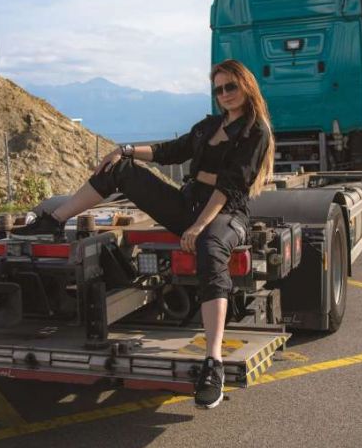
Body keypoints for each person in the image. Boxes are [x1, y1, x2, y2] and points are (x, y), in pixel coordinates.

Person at [15, 59, 275, 409]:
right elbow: (170, 150)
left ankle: (212, 364)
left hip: (227, 212)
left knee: (211, 248)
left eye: (231, 86)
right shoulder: (209, 126)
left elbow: (230, 186)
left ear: (246, 86)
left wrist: (198, 228)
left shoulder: (256, 131)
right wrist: (124, 150)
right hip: (189, 204)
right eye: (219, 89)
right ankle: (54, 219)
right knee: (120, 169)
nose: (225, 94)